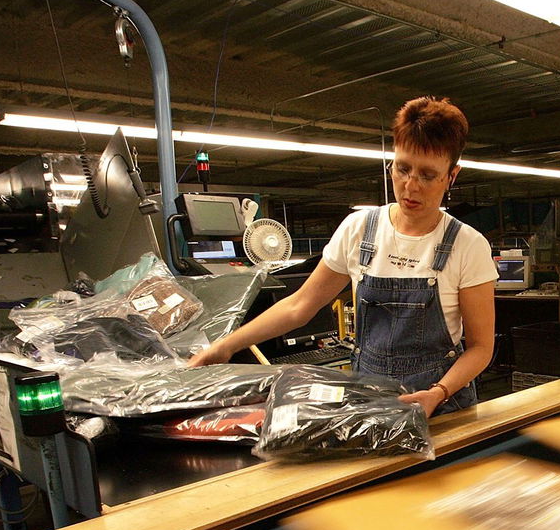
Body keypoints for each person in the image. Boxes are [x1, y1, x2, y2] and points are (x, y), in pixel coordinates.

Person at [188, 97, 497, 417]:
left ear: (452, 176)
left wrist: (438, 392)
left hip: (443, 408)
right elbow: (299, 306)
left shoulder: (467, 245)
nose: (410, 186)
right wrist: (226, 345)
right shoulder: (359, 229)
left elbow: (480, 348)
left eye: (428, 175)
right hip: (372, 402)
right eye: (403, 169)